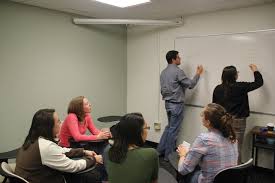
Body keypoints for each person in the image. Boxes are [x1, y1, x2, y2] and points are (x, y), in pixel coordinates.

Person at [15, 109, 105, 183]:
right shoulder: (46, 146)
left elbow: (60, 150)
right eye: (58, 121)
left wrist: (83, 151)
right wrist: (93, 160)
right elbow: (72, 166)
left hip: (34, 177)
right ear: (49, 127)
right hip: (44, 179)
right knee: (93, 176)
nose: (61, 123)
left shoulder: (33, 140)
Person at [157, 50, 204, 160]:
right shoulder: (178, 71)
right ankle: (168, 156)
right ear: (173, 59)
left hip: (167, 104)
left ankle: (159, 150)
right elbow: (191, 85)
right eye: (178, 57)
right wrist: (198, 74)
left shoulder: (163, 72)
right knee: (173, 130)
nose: (180, 59)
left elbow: (162, 90)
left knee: (169, 128)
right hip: (176, 105)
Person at [212, 64, 263, 163]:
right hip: (238, 122)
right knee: (237, 148)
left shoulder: (218, 88)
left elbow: (215, 107)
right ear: (234, 76)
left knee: (223, 147)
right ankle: (236, 172)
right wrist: (255, 70)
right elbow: (259, 83)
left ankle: (223, 170)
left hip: (223, 122)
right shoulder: (241, 86)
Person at [177, 103, 238, 183]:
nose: (201, 117)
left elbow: (183, 170)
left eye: (202, 115)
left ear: (208, 122)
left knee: (185, 171)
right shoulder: (232, 138)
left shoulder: (204, 139)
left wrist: (182, 155)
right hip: (229, 180)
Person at [105, 113, 159, 183]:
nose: (147, 131)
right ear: (137, 132)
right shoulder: (151, 153)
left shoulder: (108, 150)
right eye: (146, 128)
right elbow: (154, 180)